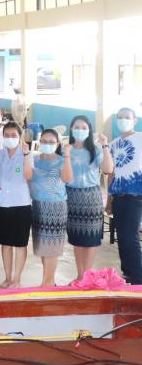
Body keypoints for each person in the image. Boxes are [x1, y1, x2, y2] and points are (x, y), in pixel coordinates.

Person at [66, 116, 113, 282]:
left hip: (91, 198)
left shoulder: (96, 150)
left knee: (90, 239)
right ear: (71, 129)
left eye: (83, 127)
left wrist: (105, 145)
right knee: (77, 238)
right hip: (71, 197)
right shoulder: (66, 150)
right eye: (76, 127)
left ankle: (87, 276)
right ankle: (80, 276)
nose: (80, 130)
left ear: (89, 130)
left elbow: (108, 169)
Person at [0, 122, 34, 288]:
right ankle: (8, 277)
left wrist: (26, 155)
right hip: (1, 203)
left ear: (20, 137)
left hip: (21, 204)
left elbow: (28, 176)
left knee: (20, 243)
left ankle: (17, 279)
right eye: (7, 135)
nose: (10, 138)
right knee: (6, 243)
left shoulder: (27, 154)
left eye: (14, 135)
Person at [28, 129, 73, 286]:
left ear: (57, 144)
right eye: (44, 141)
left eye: (51, 142)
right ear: (40, 142)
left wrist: (67, 156)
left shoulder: (62, 160)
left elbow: (67, 178)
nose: (47, 144)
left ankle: (46, 284)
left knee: (52, 248)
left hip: (56, 208)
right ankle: (49, 282)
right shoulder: (33, 159)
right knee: (42, 247)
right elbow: (27, 178)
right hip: (38, 206)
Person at [108, 108, 142, 284]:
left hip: (135, 195)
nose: (123, 120)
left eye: (127, 117)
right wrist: (109, 199)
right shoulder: (113, 144)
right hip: (118, 196)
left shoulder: (140, 138)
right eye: (120, 117)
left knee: (130, 236)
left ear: (135, 120)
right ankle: (128, 273)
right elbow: (111, 173)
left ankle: (138, 278)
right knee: (122, 236)